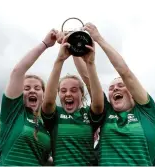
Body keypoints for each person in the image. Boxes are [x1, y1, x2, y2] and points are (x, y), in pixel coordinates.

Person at [73, 23, 155, 166]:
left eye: (120, 85)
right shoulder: (106, 112)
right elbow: (88, 79)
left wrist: (98, 39)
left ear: (132, 92)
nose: (115, 89)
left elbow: (125, 72)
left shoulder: (147, 112)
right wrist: (73, 48)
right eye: (111, 88)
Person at [41, 34, 104, 166]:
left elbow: (98, 104)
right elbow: (47, 103)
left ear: (82, 94)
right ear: (58, 94)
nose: (68, 94)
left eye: (74, 90)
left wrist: (90, 63)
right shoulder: (55, 115)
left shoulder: (88, 114)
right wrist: (60, 60)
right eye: (63, 91)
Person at [0, 29, 57, 166]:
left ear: (43, 94)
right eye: (26, 88)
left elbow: (43, 159)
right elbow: (18, 72)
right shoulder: (12, 114)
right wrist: (45, 44)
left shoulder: (45, 125)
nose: (32, 91)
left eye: (37, 88)